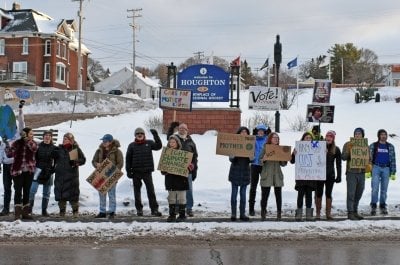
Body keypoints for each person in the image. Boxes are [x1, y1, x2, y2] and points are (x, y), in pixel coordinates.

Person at [126, 127, 162, 216]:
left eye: (141, 133)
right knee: (137, 192)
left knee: (151, 191)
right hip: (136, 172)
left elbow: (158, 146)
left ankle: (154, 210)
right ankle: (139, 210)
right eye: (138, 134)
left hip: (147, 172)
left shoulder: (149, 143)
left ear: (144, 135)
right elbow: (128, 159)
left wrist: (155, 135)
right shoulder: (131, 145)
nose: (139, 135)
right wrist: (128, 171)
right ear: (135, 135)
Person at [52, 133, 86, 217]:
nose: (64, 140)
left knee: (73, 194)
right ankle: (62, 212)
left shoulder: (75, 149)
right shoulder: (59, 149)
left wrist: (76, 162)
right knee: (61, 194)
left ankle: (75, 212)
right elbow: (53, 158)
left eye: (66, 139)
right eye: (64, 139)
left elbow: (83, 160)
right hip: (60, 175)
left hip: (72, 175)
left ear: (71, 140)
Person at [0, 101, 25, 216]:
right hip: (6, 165)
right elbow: (1, 151)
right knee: (6, 188)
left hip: (16, 165)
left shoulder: (19, 134)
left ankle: (17, 209)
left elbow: (21, 122)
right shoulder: (3, 136)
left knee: (18, 188)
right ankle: (5, 208)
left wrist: (20, 110)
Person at [9, 127, 38, 220]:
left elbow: (34, 149)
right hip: (18, 171)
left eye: (32, 134)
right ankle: (17, 213)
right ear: (24, 134)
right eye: (30, 134)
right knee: (18, 191)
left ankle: (25, 213)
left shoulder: (33, 143)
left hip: (29, 171)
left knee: (27, 191)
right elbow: (9, 153)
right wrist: (7, 144)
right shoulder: (17, 143)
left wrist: (28, 141)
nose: (32, 136)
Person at [92, 134, 124, 219]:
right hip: (101, 175)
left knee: (111, 194)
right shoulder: (99, 150)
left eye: (105, 141)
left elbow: (120, 163)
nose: (103, 142)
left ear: (110, 142)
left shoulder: (117, 151)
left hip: (112, 175)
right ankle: (102, 211)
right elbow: (93, 161)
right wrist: (97, 164)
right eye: (103, 141)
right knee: (102, 194)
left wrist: (112, 171)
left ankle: (112, 211)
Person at [259, 132, 287, 221]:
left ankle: (279, 213)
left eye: (277, 138)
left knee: (278, 195)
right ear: (270, 139)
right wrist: (263, 159)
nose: (276, 139)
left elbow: (283, 164)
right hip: (267, 174)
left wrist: (284, 158)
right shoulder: (265, 148)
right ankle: (263, 212)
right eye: (274, 138)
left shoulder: (280, 149)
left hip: (277, 175)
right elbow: (260, 161)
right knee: (265, 195)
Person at [369, 129, 396, 215]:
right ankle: (373, 205)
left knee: (384, 189)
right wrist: (368, 170)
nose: (384, 136)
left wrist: (393, 172)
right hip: (376, 167)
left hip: (386, 169)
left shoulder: (390, 146)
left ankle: (382, 205)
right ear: (379, 136)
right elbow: (369, 158)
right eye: (382, 134)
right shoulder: (373, 145)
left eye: (385, 134)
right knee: (375, 188)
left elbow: (393, 159)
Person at [315, 130, 342, 220]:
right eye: (327, 136)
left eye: (331, 137)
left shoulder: (336, 149)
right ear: (325, 137)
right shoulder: (319, 146)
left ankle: (328, 213)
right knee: (319, 193)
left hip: (330, 174)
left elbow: (338, 164)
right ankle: (318, 213)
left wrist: (339, 176)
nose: (329, 138)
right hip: (319, 174)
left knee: (328, 194)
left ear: (333, 139)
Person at [291, 132, 317, 221]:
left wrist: (323, 152)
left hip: (310, 176)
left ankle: (309, 215)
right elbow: (292, 161)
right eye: (307, 137)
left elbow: (319, 159)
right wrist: (293, 154)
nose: (308, 139)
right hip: (301, 176)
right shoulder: (298, 147)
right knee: (300, 195)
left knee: (309, 195)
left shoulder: (315, 147)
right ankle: (299, 214)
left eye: (310, 138)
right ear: (303, 138)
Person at [29, 130, 56, 216]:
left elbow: (56, 161)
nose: (47, 137)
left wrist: (53, 170)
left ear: (51, 137)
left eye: (49, 135)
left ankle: (44, 211)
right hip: (38, 170)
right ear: (43, 137)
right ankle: (29, 209)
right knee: (32, 190)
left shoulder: (54, 148)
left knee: (47, 192)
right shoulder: (38, 146)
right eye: (46, 135)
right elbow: (33, 158)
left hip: (49, 171)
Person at [342, 127, 367, 220]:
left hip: (362, 172)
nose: (357, 135)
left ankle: (355, 211)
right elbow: (343, 157)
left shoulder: (365, 145)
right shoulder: (348, 144)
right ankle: (350, 212)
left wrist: (369, 164)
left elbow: (369, 158)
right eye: (356, 133)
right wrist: (349, 150)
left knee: (359, 192)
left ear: (362, 135)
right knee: (351, 193)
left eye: (359, 133)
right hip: (351, 172)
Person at [163, 134, 189, 222]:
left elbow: (189, 165)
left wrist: (190, 167)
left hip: (181, 180)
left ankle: (182, 215)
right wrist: (164, 170)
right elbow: (162, 168)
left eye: (173, 142)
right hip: (170, 180)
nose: (172, 143)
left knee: (182, 198)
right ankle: (172, 215)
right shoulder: (166, 154)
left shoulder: (184, 154)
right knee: (172, 198)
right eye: (170, 142)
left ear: (177, 143)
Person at [228, 126, 251, 222]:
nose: (244, 133)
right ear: (239, 133)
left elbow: (253, 159)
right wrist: (234, 153)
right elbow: (231, 158)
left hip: (245, 172)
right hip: (235, 172)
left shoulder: (250, 144)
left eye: (245, 132)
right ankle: (233, 214)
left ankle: (242, 214)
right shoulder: (234, 144)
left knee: (243, 195)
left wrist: (250, 156)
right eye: (242, 132)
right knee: (234, 195)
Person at [176, 123, 198, 217]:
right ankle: (177, 207)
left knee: (188, 190)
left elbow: (195, 157)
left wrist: (194, 169)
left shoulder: (191, 142)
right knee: (177, 189)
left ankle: (189, 208)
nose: (182, 130)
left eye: (184, 128)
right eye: (180, 128)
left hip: (188, 171)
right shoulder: (174, 140)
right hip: (176, 170)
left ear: (187, 130)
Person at [248, 124, 269, 216]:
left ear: (265, 132)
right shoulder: (252, 139)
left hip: (264, 166)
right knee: (253, 187)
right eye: (259, 130)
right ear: (256, 131)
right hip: (254, 165)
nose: (260, 132)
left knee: (264, 187)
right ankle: (251, 209)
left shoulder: (268, 140)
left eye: (262, 131)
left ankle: (263, 208)